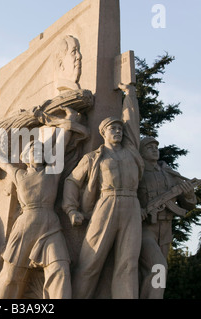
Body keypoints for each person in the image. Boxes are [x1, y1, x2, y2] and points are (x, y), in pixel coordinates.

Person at [63, 83, 144, 299]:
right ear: (103, 133)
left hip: (132, 205)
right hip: (106, 203)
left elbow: (132, 121)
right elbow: (72, 181)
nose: (117, 131)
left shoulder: (132, 152)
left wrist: (130, 94)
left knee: (128, 263)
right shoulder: (94, 158)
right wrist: (71, 209)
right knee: (90, 261)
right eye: (112, 129)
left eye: (119, 129)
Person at [0, 106, 81, 299]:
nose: (38, 152)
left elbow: (61, 145)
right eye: (34, 149)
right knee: (10, 274)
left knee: (60, 268)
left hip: (50, 224)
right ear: (25, 157)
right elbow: (2, 161)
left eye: (41, 149)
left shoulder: (52, 172)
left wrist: (69, 121)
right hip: (26, 224)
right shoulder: (19, 174)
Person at [137, 137, 197, 299]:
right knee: (158, 267)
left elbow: (187, 204)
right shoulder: (137, 172)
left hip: (165, 230)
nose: (155, 149)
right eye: (149, 147)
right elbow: (126, 195)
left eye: (156, 147)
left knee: (156, 273)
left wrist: (189, 195)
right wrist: (138, 210)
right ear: (141, 151)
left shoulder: (169, 174)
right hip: (144, 229)